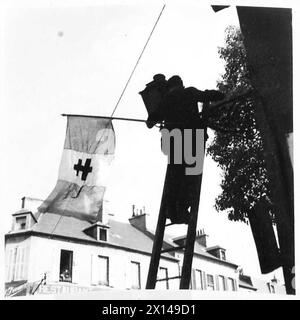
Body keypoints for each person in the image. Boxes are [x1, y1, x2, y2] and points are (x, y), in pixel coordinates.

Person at [146, 75, 224, 224]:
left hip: (172, 142)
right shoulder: (189, 92)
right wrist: (220, 94)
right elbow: (207, 95)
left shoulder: (165, 101)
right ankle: (182, 209)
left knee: (175, 176)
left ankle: (172, 210)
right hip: (190, 140)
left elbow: (150, 123)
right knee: (190, 177)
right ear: (181, 84)